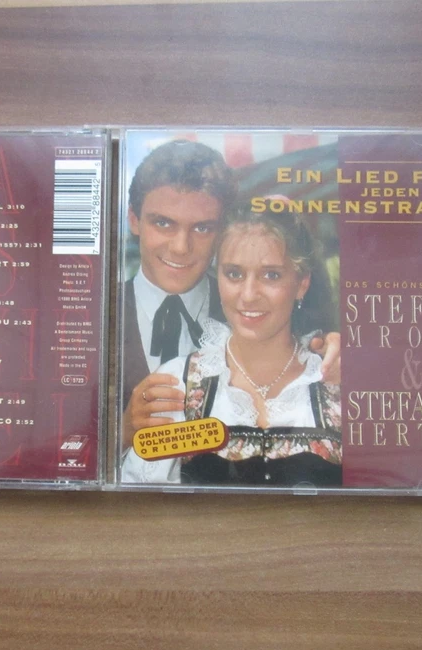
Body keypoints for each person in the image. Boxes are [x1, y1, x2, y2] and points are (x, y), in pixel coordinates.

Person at [121, 139, 340, 450]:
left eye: (202, 228)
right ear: (133, 220)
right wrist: (120, 433)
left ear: (222, 232)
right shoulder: (91, 316)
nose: (181, 247)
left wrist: (342, 351)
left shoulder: (255, 311)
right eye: (163, 223)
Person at [121, 206, 342, 487]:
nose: (248, 295)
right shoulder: (178, 384)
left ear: (302, 284)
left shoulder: (335, 377)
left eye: (271, 275)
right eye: (234, 274)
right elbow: (142, 500)